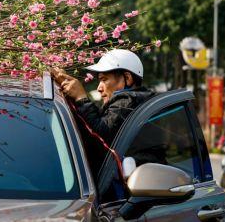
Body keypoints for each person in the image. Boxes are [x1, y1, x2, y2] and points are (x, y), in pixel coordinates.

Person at [52, 49, 154, 178]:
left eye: (104, 80)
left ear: (127, 78)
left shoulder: (129, 100)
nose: (99, 88)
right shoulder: (132, 103)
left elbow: (100, 134)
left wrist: (81, 98)